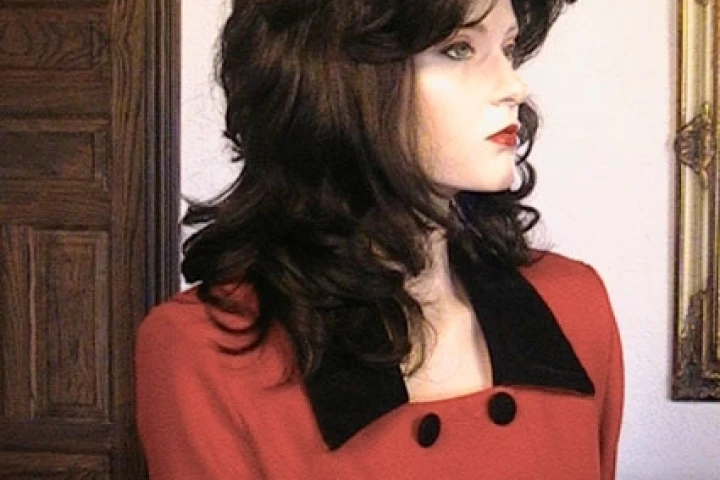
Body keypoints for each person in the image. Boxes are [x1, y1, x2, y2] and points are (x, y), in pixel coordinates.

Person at [135, 0, 624, 478]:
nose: (514, 86)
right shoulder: (210, 351)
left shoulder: (573, 307)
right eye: (458, 49)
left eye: (508, 48)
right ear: (335, 74)